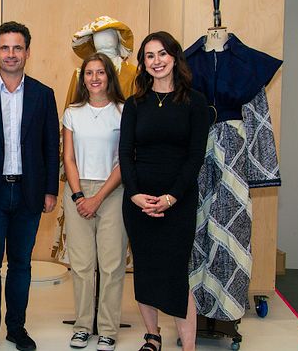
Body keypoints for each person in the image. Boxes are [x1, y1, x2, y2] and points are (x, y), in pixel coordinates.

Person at [0, 21, 59, 351]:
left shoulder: (43, 94)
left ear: (27, 53)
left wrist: (51, 190)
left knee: (21, 264)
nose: (11, 54)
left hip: (28, 192)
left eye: (17, 47)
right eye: (4, 48)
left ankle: (16, 328)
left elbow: (52, 146)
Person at [118, 31, 209, 351]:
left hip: (178, 200)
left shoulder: (195, 102)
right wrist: (133, 193)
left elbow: (195, 156)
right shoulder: (134, 104)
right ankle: (152, 336)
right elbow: (125, 154)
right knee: (144, 269)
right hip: (139, 200)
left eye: (162, 54)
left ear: (174, 57)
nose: (156, 61)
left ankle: (188, 346)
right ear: (143, 62)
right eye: (149, 56)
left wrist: (171, 197)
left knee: (174, 271)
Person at [61, 53, 127, 351]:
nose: (95, 78)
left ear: (110, 77)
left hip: (113, 191)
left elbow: (125, 161)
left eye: (101, 72)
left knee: (112, 264)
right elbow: (68, 158)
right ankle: (83, 326)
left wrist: (97, 199)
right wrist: (79, 196)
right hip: (78, 191)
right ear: (82, 78)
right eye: (89, 73)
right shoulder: (73, 112)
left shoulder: (124, 111)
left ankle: (108, 329)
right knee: (82, 264)